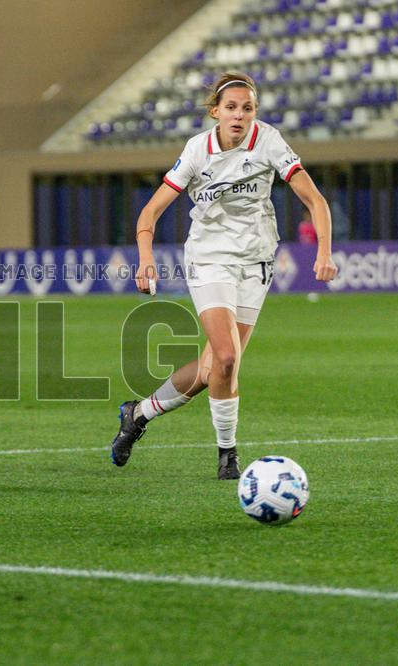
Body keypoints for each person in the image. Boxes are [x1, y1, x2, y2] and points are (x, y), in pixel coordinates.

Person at [110, 72, 338, 479]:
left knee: (213, 368)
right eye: (231, 108)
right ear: (215, 111)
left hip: (256, 264)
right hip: (209, 259)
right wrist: (146, 259)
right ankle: (227, 456)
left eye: (247, 108)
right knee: (228, 358)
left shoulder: (268, 140)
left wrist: (324, 251)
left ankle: (138, 413)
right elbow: (149, 214)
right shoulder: (198, 150)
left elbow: (314, 199)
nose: (239, 116)